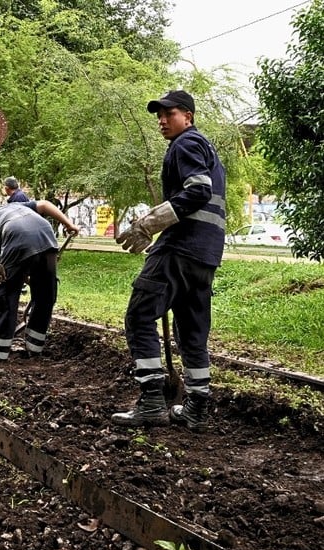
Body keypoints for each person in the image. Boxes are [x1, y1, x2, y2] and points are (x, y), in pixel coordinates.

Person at [111, 90, 226, 431]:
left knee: (139, 316)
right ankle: (196, 409)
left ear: (187, 117)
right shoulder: (209, 151)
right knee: (191, 331)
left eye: (169, 114)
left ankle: (151, 403)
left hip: (180, 248)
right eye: (158, 115)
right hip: (206, 255)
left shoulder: (186, 144)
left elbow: (197, 191)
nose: (161, 120)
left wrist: (149, 224)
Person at [0, 201, 80, 361]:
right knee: (45, 295)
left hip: (16, 235)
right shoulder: (14, 206)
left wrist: (14, 282)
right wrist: (69, 224)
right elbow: (45, 205)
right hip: (46, 233)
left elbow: (8, 272)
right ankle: (34, 347)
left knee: (5, 293)